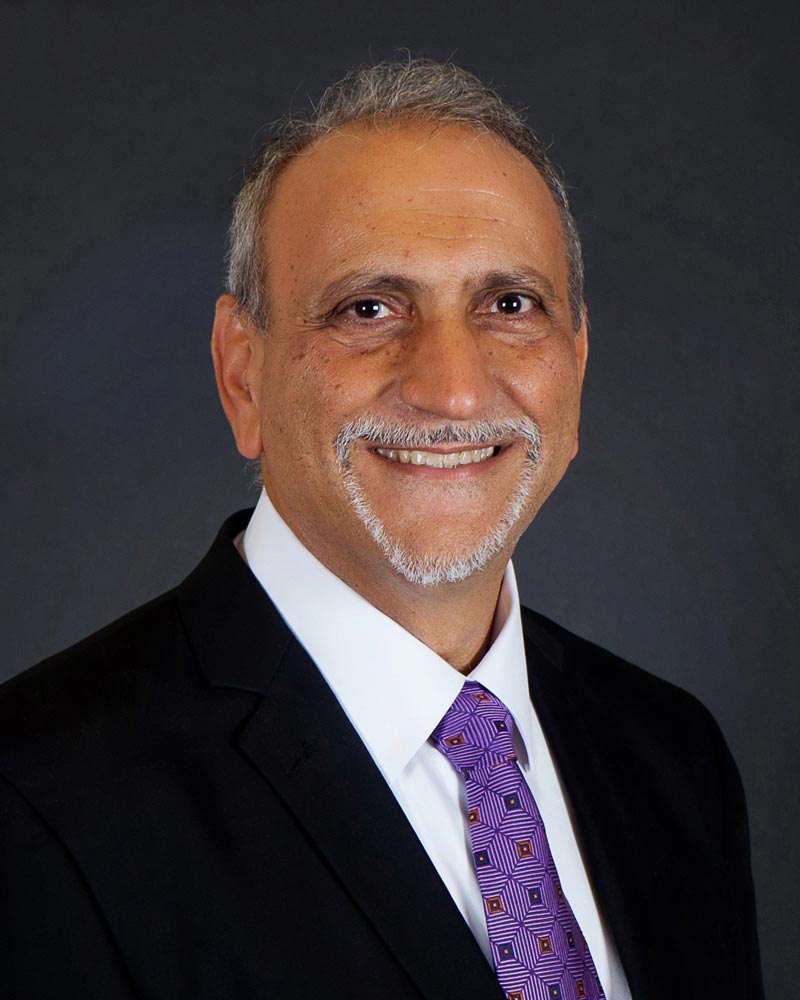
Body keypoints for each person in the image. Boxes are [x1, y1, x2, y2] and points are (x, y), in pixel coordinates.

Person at [0, 60, 762, 1000]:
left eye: (510, 306)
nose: (453, 387)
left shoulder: (671, 759)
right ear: (244, 375)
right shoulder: (37, 803)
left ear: (578, 359)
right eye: (369, 309)